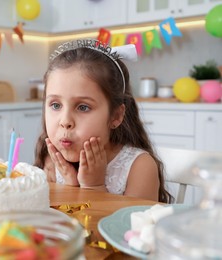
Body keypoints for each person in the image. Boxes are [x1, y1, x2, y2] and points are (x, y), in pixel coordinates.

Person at [34, 39, 172, 203]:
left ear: (115, 116)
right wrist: (71, 185)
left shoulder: (139, 167)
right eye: (55, 105)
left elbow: (129, 228)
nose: (65, 121)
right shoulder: (52, 158)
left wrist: (94, 187)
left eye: (83, 107)